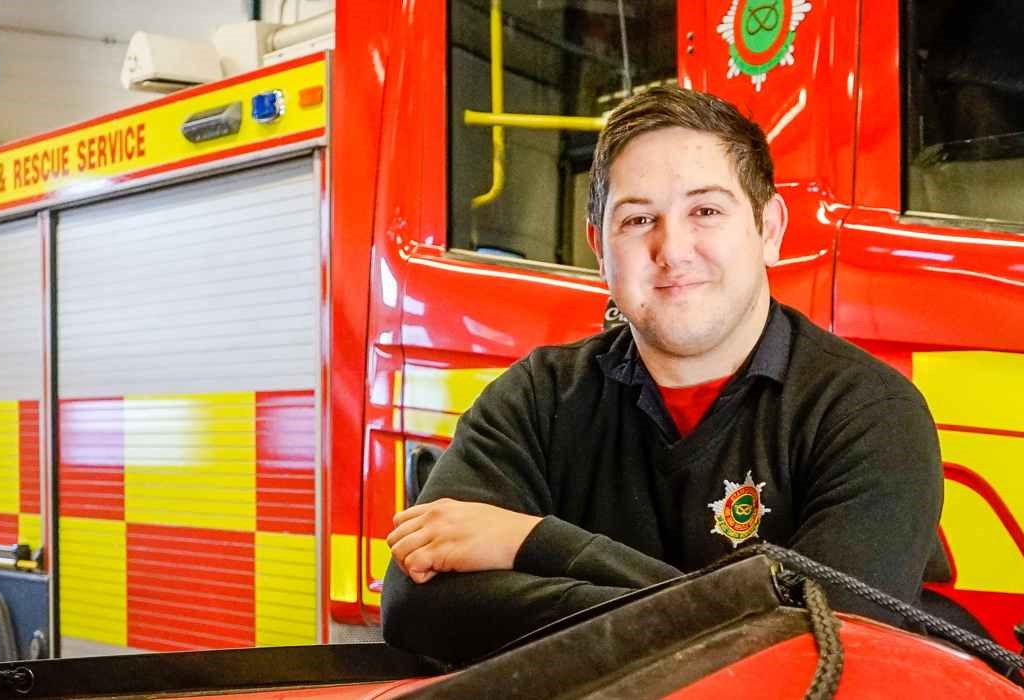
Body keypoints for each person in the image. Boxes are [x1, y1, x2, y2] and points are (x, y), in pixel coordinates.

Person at [380, 87, 946, 664]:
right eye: (639, 218)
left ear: (769, 229)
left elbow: (815, 649)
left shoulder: (868, 413)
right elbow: (417, 606)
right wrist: (737, 609)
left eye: (706, 211)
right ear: (600, 249)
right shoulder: (537, 398)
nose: (672, 250)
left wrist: (536, 542)